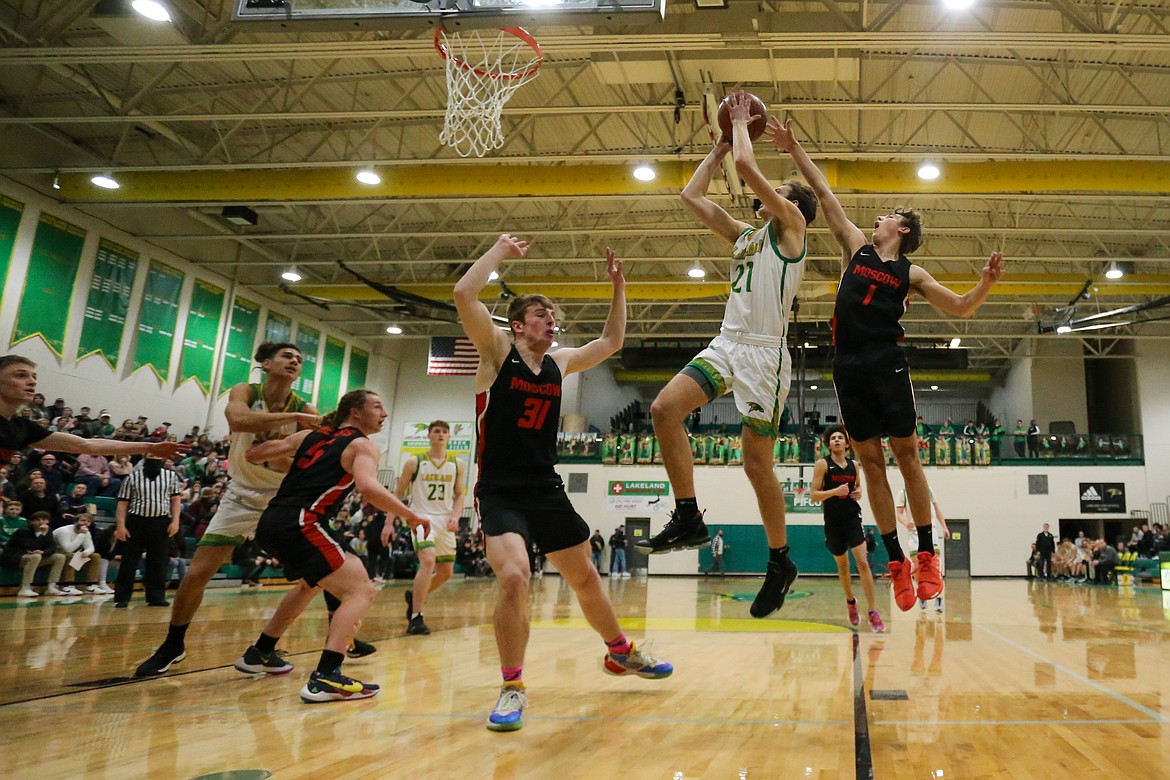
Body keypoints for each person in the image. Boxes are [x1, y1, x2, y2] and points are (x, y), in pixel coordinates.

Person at [772, 118, 1004, 612]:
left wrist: (985, 283)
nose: (876, 218)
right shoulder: (854, 247)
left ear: (902, 229)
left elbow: (961, 307)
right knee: (871, 466)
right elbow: (820, 188)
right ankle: (896, 561)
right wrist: (793, 147)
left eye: (886, 215)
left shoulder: (910, 271)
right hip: (848, 367)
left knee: (907, 457)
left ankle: (925, 554)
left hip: (886, 363)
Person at [454, 234, 672, 732]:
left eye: (554, 316)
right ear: (517, 324)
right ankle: (512, 687)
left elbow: (611, 342)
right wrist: (499, 251)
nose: (552, 321)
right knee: (514, 578)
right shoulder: (496, 351)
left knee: (585, 578)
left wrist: (619, 288)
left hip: (545, 487)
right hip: (500, 489)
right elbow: (465, 296)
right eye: (542, 315)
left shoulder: (560, 362)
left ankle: (620, 651)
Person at [637, 92, 816, 622]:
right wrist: (716, 150)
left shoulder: (793, 232)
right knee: (663, 410)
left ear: (789, 206)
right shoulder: (746, 237)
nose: (766, 192)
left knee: (755, 465)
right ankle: (689, 515)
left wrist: (740, 127)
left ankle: (780, 561)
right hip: (728, 342)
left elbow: (747, 163)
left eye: (777, 190)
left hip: (766, 356)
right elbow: (692, 196)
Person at [134, 342, 378, 677]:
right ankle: (173, 644)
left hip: (285, 498)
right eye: (287, 356)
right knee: (197, 574)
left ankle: (287, 645)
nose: (294, 362)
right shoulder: (248, 392)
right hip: (241, 494)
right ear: (265, 364)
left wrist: (282, 455)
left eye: (299, 359)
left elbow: (318, 458)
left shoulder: (306, 406)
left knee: (317, 576)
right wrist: (293, 419)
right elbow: (237, 420)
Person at [235, 390, 431, 703]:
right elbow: (368, 487)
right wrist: (409, 514)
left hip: (273, 520)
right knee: (361, 590)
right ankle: (327, 675)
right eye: (378, 406)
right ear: (355, 412)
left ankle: (260, 651)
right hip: (303, 522)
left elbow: (255, 454)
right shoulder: (362, 445)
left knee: (309, 586)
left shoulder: (310, 436)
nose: (384, 413)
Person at [390, 419, 466, 636]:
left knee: (445, 573)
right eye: (436, 431)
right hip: (421, 518)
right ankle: (416, 617)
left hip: (444, 520)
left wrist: (456, 516)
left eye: (444, 432)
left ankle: (413, 597)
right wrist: (389, 523)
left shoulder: (457, 464)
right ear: (429, 436)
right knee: (428, 560)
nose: (440, 435)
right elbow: (398, 493)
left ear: (449, 437)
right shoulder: (414, 462)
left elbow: (460, 494)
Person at [810, 426, 885, 632]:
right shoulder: (822, 464)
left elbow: (857, 487)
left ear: (846, 443)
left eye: (840, 437)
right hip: (832, 522)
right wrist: (834, 491)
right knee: (843, 566)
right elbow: (814, 495)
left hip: (852, 518)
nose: (836, 440)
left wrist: (858, 493)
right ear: (828, 443)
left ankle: (873, 612)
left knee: (862, 563)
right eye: (833, 438)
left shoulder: (854, 465)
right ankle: (851, 602)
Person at [112, 455, 183, 607]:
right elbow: (123, 503)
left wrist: (175, 521)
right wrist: (121, 526)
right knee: (129, 560)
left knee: (158, 561)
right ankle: (122, 597)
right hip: (136, 521)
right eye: (150, 456)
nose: (153, 459)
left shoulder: (170, 476)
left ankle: (156, 597)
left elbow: (176, 500)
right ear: (144, 459)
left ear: (161, 460)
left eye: (156, 456)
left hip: (161, 521)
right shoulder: (132, 477)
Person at [895, 485, 949, 612]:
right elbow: (899, 513)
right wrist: (906, 523)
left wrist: (944, 527)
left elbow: (937, 509)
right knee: (918, 568)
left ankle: (938, 598)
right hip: (914, 533)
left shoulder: (928, 490)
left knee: (934, 567)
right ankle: (922, 593)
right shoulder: (903, 493)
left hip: (932, 532)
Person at [1, 511, 68, 597]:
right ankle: (25, 588)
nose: (41, 522)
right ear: (32, 522)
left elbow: (52, 547)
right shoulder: (24, 531)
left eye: (44, 519)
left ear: (48, 521)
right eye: (37, 520)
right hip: (14, 558)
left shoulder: (49, 530)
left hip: (34, 557)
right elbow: (31, 546)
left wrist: (43, 552)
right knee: (35, 556)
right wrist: (43, 534)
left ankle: (52, 587)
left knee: (59, 557)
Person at [52, 513, 110, 593]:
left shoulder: (87, 532)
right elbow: (68, 549)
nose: (86, 523)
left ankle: (91, 585)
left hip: (72, 553)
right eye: (83, 520)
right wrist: (82, 534)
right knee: (72, 555)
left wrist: (86, 552)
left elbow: (91, 547)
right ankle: (68, 585)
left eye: (88, 521)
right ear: (75, 522)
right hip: (57, 553)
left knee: (95, 556)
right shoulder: (64, 531)